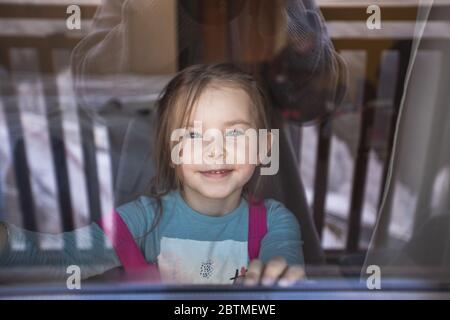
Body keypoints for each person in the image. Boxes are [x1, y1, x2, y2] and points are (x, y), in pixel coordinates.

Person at [0, 64, 305, 285]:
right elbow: (63, 258)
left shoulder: (275, 222)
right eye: (194, 136)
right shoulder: (143, 221)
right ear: (172, 150)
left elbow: (283, 264)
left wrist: (278, 275)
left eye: (235, 133)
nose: (217, 151)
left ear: (264, 147)